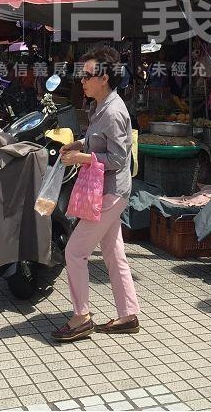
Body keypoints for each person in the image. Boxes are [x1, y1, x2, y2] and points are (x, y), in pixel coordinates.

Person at [52, 45, 140, 342]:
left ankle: (81, 317)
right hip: (108, 190)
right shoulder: (100, 106)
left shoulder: (113, 111)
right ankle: (128, 315)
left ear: (104, 78)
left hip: (110, 192)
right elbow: (97, 143)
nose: (82, 80)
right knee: (114, 254)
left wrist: (84, 159)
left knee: (74, 252)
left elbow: (117, 158)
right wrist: (79, 145)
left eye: (87, 75)